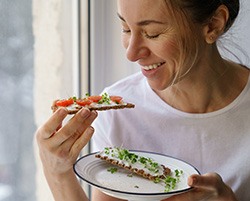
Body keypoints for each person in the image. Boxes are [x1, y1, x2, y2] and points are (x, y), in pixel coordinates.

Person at [35, 0, 250, 200]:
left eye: (153, 33)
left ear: (213, 24)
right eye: (126, 29)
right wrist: (58, 173)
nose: (131, 53)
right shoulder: (119, 116)